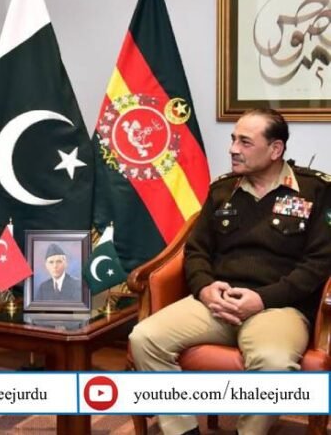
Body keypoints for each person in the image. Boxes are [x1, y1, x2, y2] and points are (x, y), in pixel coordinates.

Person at [129, 108, 331, 435]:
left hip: (279, 307)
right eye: (233, 139)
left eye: (245, 142)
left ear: (275, 149)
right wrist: (205, 288)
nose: (233, 149)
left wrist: (262, 299)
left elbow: (318, 264)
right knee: (144, 338)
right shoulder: (223, 190)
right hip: (217, 302)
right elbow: (196, 250)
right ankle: (182, 429)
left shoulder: (314, 190)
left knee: (275, 362)